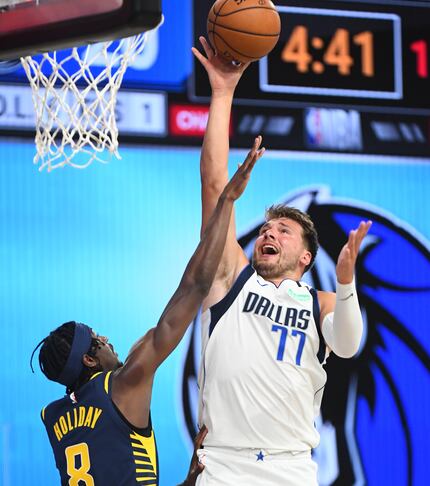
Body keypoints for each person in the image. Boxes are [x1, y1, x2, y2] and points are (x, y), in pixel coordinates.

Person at [192, 37, 372, 485]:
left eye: (283, 231)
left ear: (306, 256)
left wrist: (347, 284)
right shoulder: (231, 279)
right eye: (267, 229)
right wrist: (222, 92)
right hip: (222, 467)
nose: (269, 232)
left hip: (290, 468)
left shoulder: (322, 302)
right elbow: (215, 187)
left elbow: (348, 345)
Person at [30, 141, 264, 486]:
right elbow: (196, 286)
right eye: (97, 339)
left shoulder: (52, 417)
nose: (106, 339)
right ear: (90, 361)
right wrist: (227, 201)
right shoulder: (125, 383)